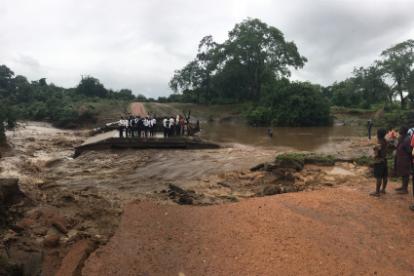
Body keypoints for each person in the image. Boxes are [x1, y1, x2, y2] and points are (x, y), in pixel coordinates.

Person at [394, 126, 412, 194]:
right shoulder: (401, 137)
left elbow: (409, 151)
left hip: (405, 159)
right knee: (403, 173)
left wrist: (410, 160)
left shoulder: (407, 139)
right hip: (401, 158)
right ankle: (403, 186)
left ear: (404, 131)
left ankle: (405, 189)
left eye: (400, 129)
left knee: (405, 174)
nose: (399, 130)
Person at [370, 128, 388, 197]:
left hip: (379, 161)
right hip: (385, 160)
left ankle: (377, 192)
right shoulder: (385, 141)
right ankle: (383, 189)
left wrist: (374, 148)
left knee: (379, 177)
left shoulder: (379, 143)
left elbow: (376, 152)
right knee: (385, 176)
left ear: (378, 134)